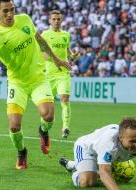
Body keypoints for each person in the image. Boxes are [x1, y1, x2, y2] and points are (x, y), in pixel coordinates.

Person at [0, 0, 71, 170]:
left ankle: (43, 131)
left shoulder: (25, 19)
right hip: (17, 83)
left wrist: (56, 58)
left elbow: (40, 40)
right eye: (5, 11)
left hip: (38, 79)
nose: (10, 14)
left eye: (12, 10)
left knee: (48, 116)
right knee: (14, 126)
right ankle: (22, 151)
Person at [41, 10, 79, 138]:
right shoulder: (45, 35)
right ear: (50, 21)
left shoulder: (66, 35)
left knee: (64, 99)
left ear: (61, 20)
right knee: (47, 107)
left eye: (58, 19)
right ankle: (44, 128)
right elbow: (43, 54)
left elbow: (66, 50)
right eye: (54, 19)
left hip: (63, 74)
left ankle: (65, 127)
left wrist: (73, 55)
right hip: (49, 75)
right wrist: (58, 61)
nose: (56, 21)